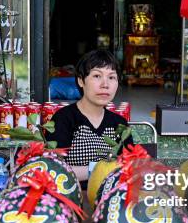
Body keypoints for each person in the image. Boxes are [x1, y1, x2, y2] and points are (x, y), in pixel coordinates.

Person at [46, 50, 133, 184]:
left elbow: (129, 168)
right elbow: (55, 169)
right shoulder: (63, 119)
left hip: (111, 198)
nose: (105, 84)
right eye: (97, 76)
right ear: (81, 80)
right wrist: (100, 169)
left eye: (111, 77)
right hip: (73, 197)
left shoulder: (119, 124)